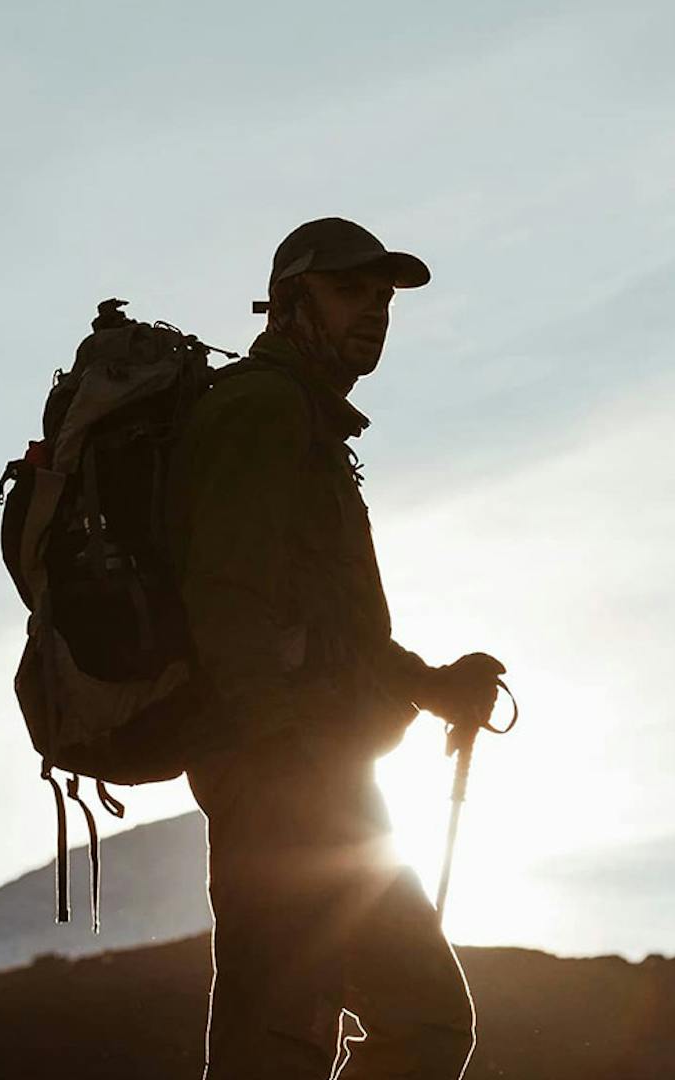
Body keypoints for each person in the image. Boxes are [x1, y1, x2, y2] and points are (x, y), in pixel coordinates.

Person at [167, 217, 508, 1080]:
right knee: (291, 1033)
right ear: (288, 301)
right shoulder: (259, 410)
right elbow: (224, 593)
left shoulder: (304, 423)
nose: (376, 312)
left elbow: (335, 631)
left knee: (383, 1023)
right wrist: (282, 756)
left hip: (312, 768)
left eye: (384, 297)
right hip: (283, 771)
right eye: (351, 290)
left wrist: (435, 686)